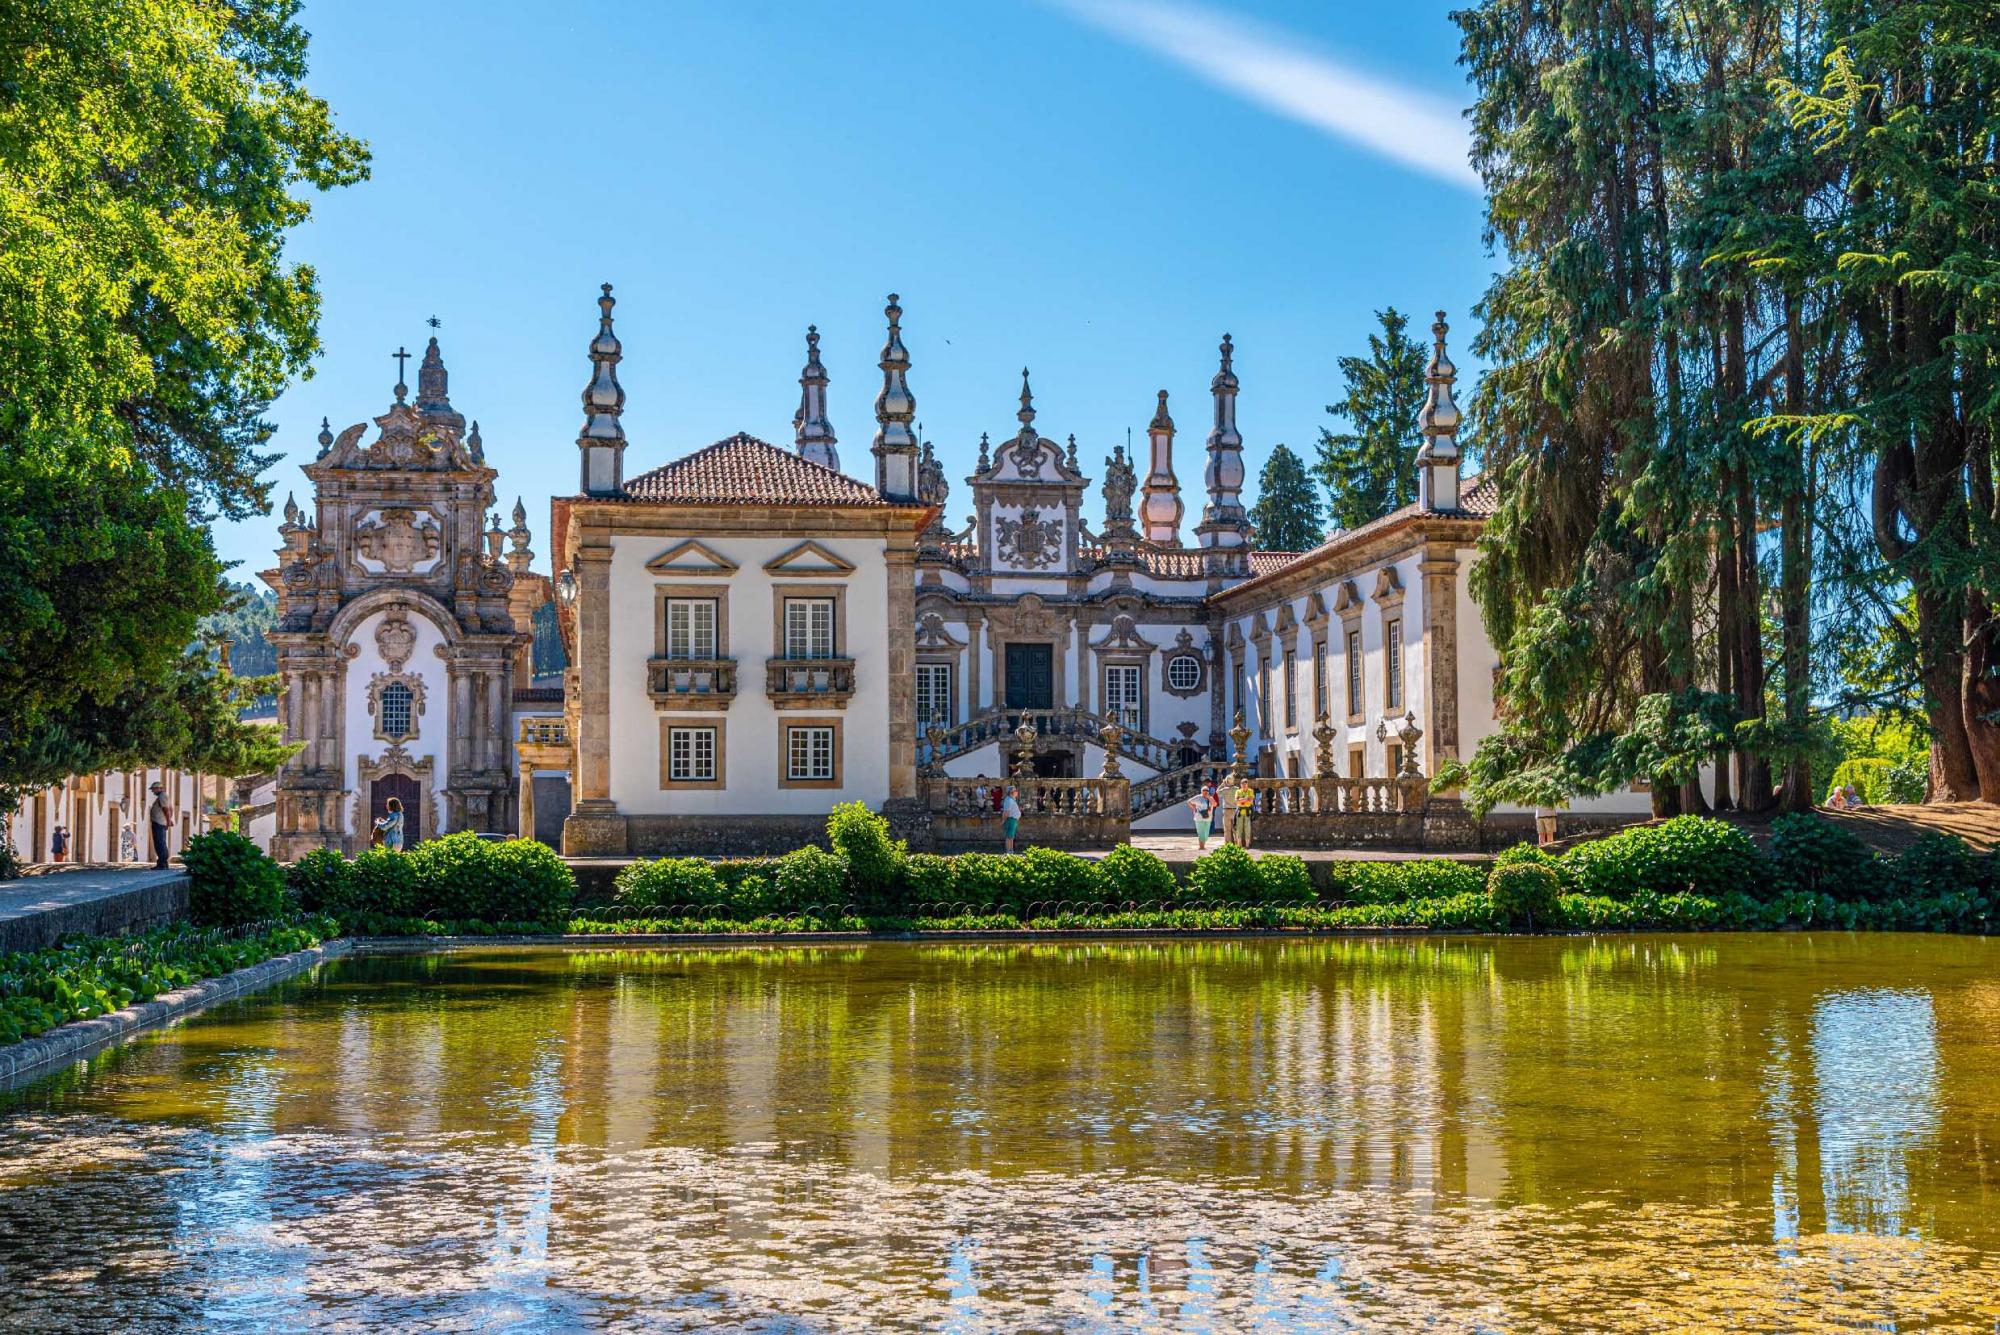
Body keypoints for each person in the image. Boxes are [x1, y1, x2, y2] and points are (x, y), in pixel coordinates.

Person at [147, 782, 173, 869]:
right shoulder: (163, 796)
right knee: (161, 843)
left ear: (159, 788)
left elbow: (166, 809)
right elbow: (170, 809)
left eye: (153, 789)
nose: (153, 791)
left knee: (159, 843)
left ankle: (162, 864)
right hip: (160, 822)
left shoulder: (162, 796)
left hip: (159, 822)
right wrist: (168, 820)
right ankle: (164, 864)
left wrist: (168, 821)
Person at [1188, 782, 1218, 851]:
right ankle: (1201, 846)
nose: (1205, 792)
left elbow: (1215, 804)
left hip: (1208, 817)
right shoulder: (1198, 797)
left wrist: (1209, 798)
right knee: (1200, 832)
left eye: (1207, 791)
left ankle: (1203, 845)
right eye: (1204, 791)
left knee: (1206, 833)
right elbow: (1189, 801)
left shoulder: (1210, 797)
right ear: (1201, 791)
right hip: (1199, 817)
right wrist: (1194, 808)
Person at [1232, 779, 1255, 849]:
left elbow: (1251, 801)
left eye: (1245, 784)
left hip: (1248, 812)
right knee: (1239, 828)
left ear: (1247, 784)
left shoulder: (1250, 791)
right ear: (1240, 785)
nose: (1244, 786)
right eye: (1242, 784)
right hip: (1240, 812)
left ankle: (1247, 845)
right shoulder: (1238, 791)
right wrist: (1246, 799)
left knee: (1247, 828)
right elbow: (1236, 801)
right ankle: (1239, 845)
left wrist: (1241, 800)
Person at [1001, 784, 1022, 855]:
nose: (1017, 792)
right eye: (1015, 790)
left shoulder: (1011, 799)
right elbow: (1006, 812)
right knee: (1009, 836)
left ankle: (1011, 851)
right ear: (1011, 792)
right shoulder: (1009, 800)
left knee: (1011, 836)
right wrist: (1003, 820)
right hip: (1010, 819)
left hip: (1013, 820)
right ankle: (1008, 852)